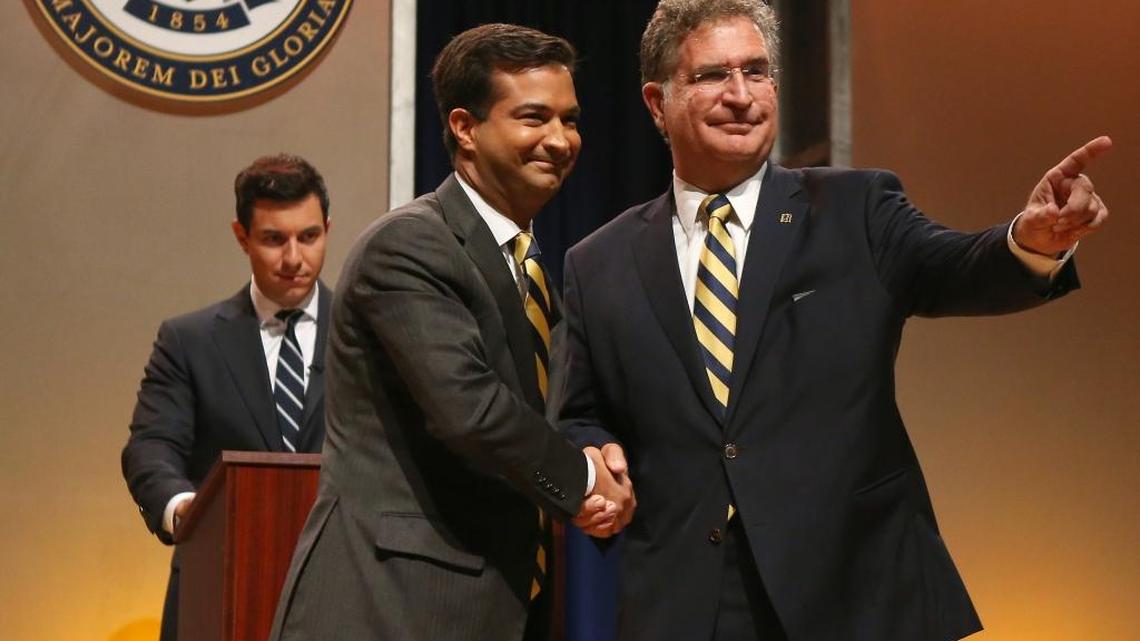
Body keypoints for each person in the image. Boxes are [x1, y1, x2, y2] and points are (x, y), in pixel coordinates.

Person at [556, 1, 1112, 640]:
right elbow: (580, 414)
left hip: (857, 590)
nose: (742, 95)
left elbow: (957, 266)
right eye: (713, 76)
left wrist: (1031, 239)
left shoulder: (857, 208)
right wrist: (592, 460)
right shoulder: (596, 263)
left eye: (757, 72)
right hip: (690, 602)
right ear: (658, 102)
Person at [269, 24, 634, 641]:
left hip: (492, 603)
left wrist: (598, 454)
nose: (559, 140)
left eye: (569, 120)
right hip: (387, 606)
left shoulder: (532, 268)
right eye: (533, 117)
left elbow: (538, 416)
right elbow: (472, 412)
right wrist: (584, 483)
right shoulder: (410, 244)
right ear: (465, 128)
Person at [121, 153, 333, 641]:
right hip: (219, 586)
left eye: (309, 236)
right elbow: (151, 447)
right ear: (242, 237)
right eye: (274, 239)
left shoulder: (365, 334)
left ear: (327, 227)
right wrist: (184, 509)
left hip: (337, 586)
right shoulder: (189, 340)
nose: (294, 258)